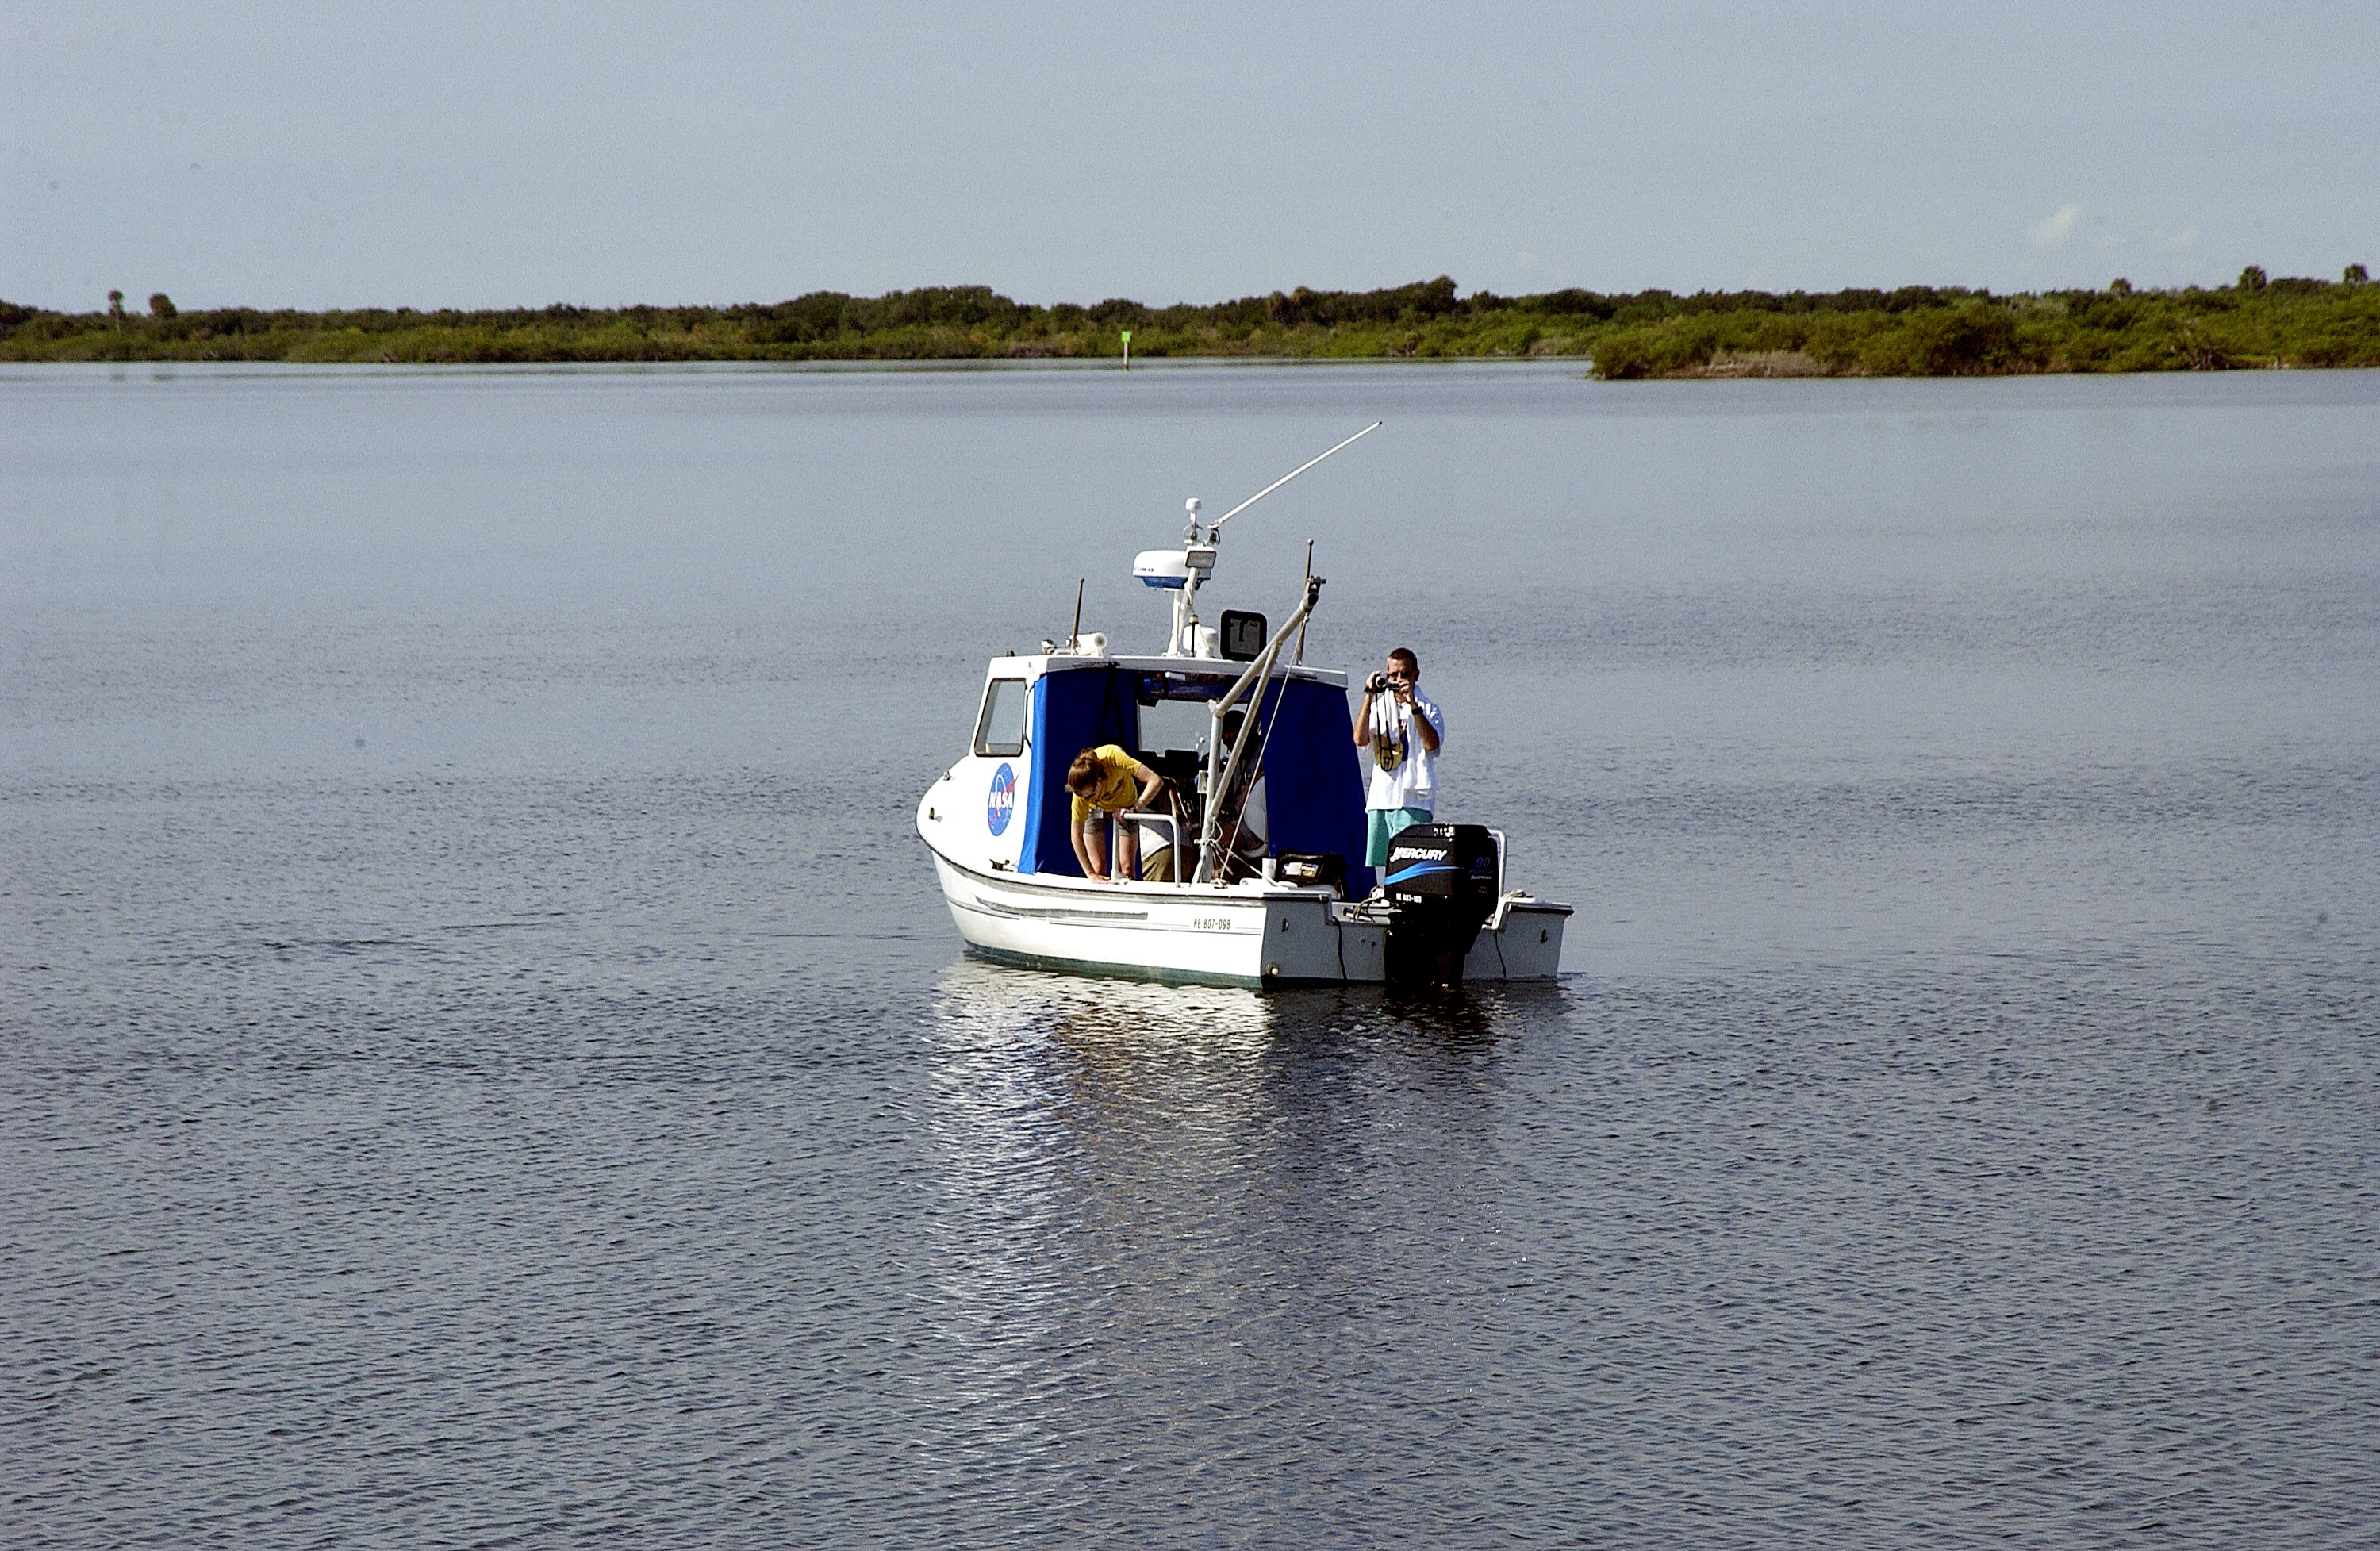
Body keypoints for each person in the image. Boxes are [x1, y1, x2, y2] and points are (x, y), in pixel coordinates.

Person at [1352, 647, 1443, 872]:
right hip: (1382, 798)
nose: (1399, 680)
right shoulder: (1379, 705)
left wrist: (1413, 706)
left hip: (1413, 799)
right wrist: (1368, 695)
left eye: (1405, 674)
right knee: (1383, 863)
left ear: (1416, 675)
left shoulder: (1428, 708)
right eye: (1393, 676)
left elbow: (1431, 744)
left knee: (1411, 864)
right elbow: (1360, 739)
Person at [1067, 744, 1165, 881]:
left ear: (1099, 782)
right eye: (1082, 797)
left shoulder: (1114, 757)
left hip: (1126, 805)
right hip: (1095, 809)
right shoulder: (1082, 796)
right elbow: (1076, 835)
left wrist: (1136, 808)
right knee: (1098, 869)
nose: (1085, 800)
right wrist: (1090, 873)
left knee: (1127, 868)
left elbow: (1155, 781)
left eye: (1089, 796)